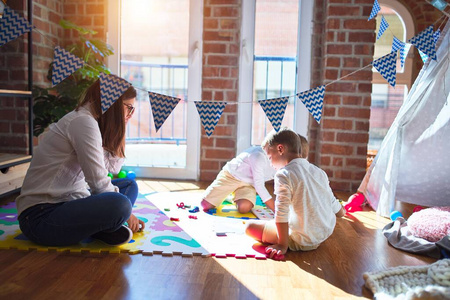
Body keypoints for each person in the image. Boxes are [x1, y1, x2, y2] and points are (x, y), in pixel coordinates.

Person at [16, 79, 145, 247]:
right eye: (128, 107)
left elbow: (112, 169)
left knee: (128, 185)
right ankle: (104, 227)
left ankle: (100, 228)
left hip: (70, 201)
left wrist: (120, 131)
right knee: (120, 204)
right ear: (112, 103)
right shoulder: (83, 122)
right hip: (41, 217)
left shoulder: (94, 123)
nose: (130, 114)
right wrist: (128, 213)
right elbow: (98, 183)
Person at [245, 127, 345, 258]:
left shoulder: (283, 175)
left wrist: (282, 245)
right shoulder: (319, 171)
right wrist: (341, 212)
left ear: (280, 149)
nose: (270, 163)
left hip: (301, 239)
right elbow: (331, 200)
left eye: (270, 157)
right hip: (323, 235)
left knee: (249, 227)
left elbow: (282, 213)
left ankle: (287, 241)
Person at [201, 145, 277, 214]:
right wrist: (276, 210)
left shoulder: (285, 164)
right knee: (205, 205)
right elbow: (259, 186)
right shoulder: (258, 156)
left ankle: (233, 196)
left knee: (244, 208)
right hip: (231, 176)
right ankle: (227, 193)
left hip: (249, 184)